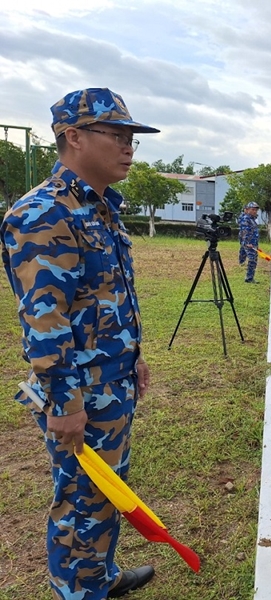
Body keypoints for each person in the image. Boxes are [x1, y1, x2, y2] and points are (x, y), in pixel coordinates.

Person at [0, 88, 157, 599]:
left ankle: (98, 579)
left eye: (131, 137)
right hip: (78, 392)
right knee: (80, 500)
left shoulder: (99, 208)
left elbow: (105, 297)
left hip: (110, 382)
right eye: (117, 135)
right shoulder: (45, 213)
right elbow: (45, 322)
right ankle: (78, 590)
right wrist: (64, 403)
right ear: (73, 137)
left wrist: (133, 359)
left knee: (105, 492)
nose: (129, 146)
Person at [238, 201, 260, 283]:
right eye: (253, 209)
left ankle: (249, 276)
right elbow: (244, 232)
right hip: (249, 244)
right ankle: (249, 278)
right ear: (248, 210)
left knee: (253, 259)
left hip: (253, 243)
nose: (255, 211)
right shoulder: (246, 219)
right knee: (252, 260)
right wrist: (247, 243)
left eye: (256, 210)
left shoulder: (252, 219)